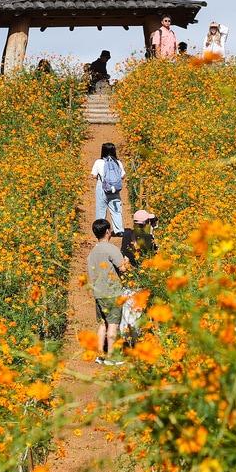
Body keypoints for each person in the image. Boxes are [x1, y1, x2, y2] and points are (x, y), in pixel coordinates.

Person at [87, 218, 129, 365]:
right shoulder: (111, 249)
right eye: (110, 230)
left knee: (102, 324)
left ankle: (100, 355)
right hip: (112, 292)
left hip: (98, 293)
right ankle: (111, 357)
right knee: (113, 324)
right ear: (107, 232)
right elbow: (123, 268)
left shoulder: (93, 252)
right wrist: (127, 262)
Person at [91, 142, 125, 234]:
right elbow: (122, 176)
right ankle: (119, 231)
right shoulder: (118, 162)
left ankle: (100, 231)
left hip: (102, 187)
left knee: (101, 210)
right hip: (115, 189)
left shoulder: (98, 162)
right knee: (116, 210)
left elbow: (94, 176)